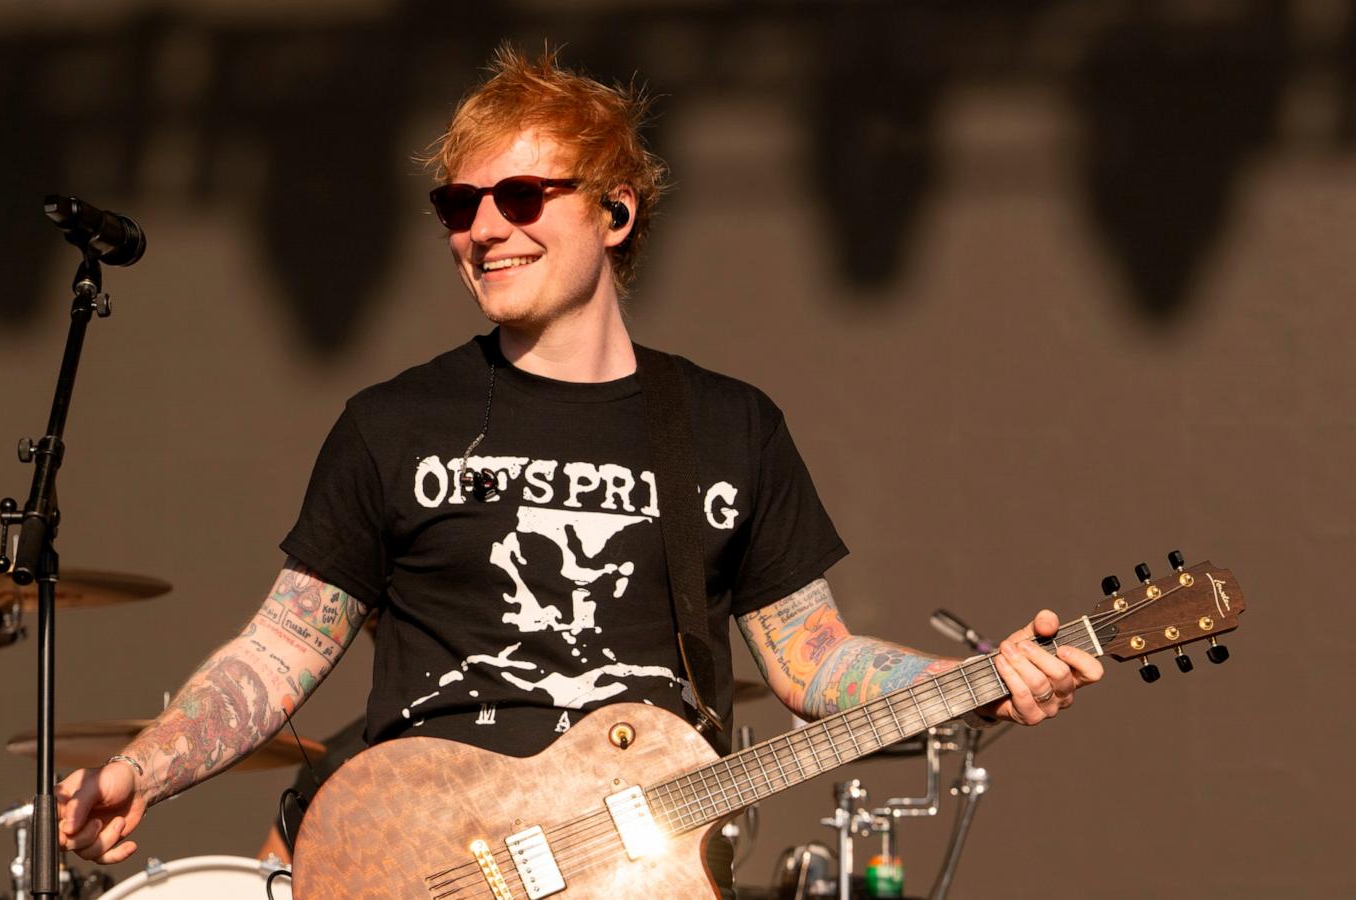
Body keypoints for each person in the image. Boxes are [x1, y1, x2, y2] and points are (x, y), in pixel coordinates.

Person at [54, 45, 1103, 894]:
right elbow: (280, 650)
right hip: (428, 864)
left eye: (519, 196)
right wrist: (146, 765)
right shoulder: (394, 424)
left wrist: (979, 687)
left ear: (615, 211)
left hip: (645, 869)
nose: (483, 229)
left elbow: (813, 664)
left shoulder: (726, 427)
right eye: (456, 207)